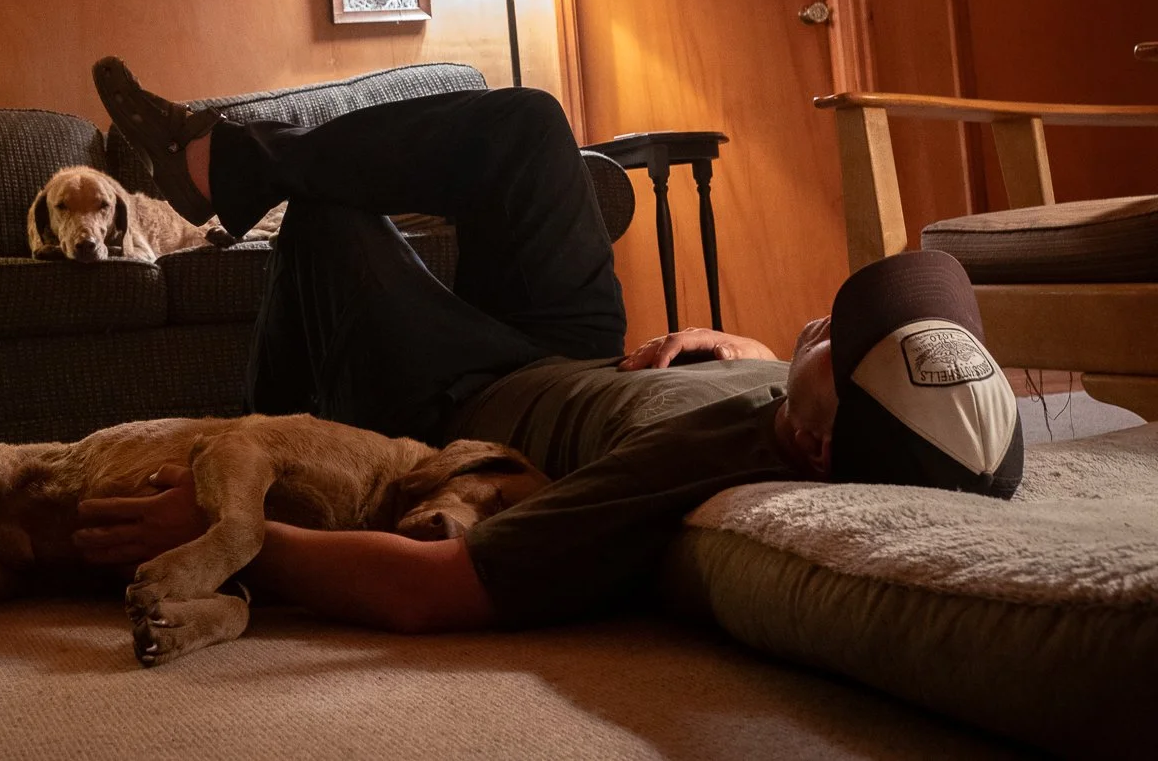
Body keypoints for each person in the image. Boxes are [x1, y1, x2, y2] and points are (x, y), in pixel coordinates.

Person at [72, 58, 1022, 633]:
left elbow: (443, 589)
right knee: (530, 124)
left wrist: (242, 538)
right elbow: (825, 398)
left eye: (839, 343)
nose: (824, 321)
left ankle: (260, 423)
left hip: (466, 402)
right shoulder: (819, 423)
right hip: (576, 352)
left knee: (327, 220)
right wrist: (739, 349)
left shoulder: (685, 470)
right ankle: (224, 166)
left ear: (816, 444)